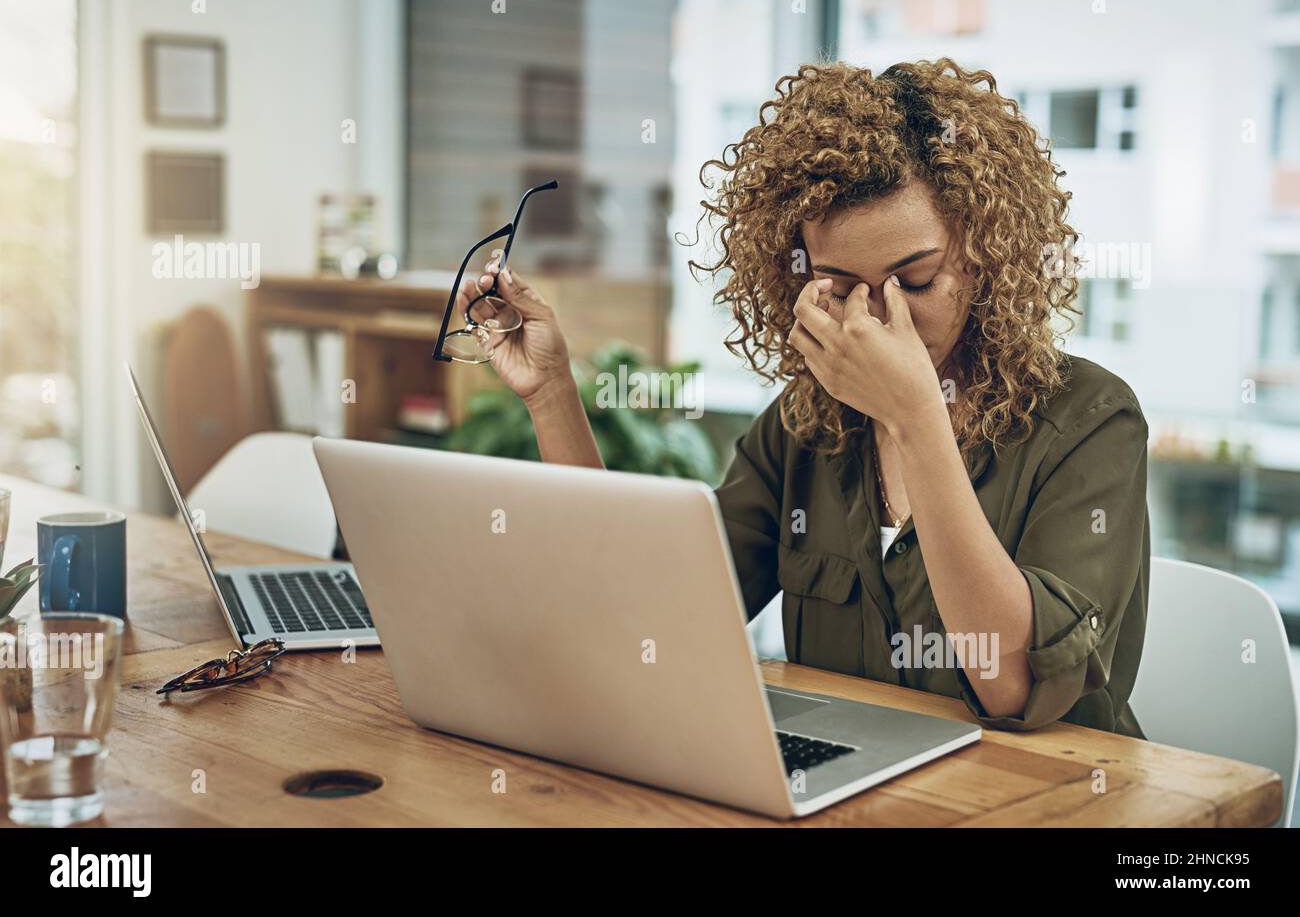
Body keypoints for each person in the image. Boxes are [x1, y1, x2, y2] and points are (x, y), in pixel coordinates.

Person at [455, 58, 1149, 736]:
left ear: (984, 252)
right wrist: (551, 393)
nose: (878, 318)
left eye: (915, 280)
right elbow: (641, 616)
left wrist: (915, 418)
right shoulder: (807, 425)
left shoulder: (1090, 421)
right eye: (840, 287)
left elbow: (1011, 683)